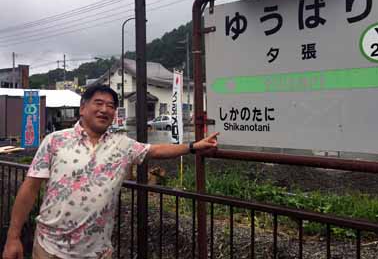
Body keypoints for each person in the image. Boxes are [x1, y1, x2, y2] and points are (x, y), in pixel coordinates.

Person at [2, 84, 218, 259]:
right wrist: (13, 237)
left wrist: (192, 147)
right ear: (82, 108)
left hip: (98, 252)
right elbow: (30, 189)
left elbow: (156, 149)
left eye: (111, 106)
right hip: (50, 249)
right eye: (98, 103)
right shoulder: (55, 141)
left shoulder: (122, 145)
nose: (104, 109)